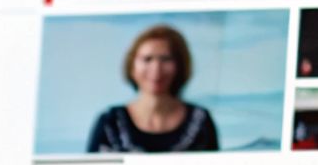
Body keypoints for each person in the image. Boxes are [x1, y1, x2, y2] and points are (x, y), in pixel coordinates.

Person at [85, 25, 220, 153]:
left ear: (180, 66)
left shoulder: (201, 120)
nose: (156, 69)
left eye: (165, 59)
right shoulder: (110, 122)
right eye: (147, 59)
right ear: (132, 67)